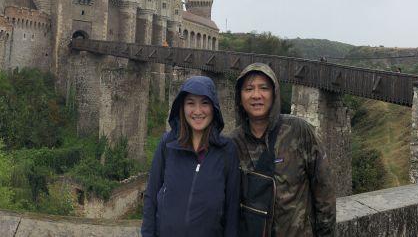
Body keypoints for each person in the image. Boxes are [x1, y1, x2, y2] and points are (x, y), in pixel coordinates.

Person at [231, 63, 335, 236]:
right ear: (240, 97)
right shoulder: (233, 143)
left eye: (264, 88)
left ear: (274, 94)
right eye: (249, 89)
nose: (256, 95)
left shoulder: (299, 131)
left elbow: (324, 190)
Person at [142, 76, 240, 237]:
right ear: (182, 107)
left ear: (214, 107)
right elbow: (151, 196)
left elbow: (232, 210)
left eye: (205, 103)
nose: (198, 111)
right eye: (190, 103)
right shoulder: (168, 144)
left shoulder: (227, 151)